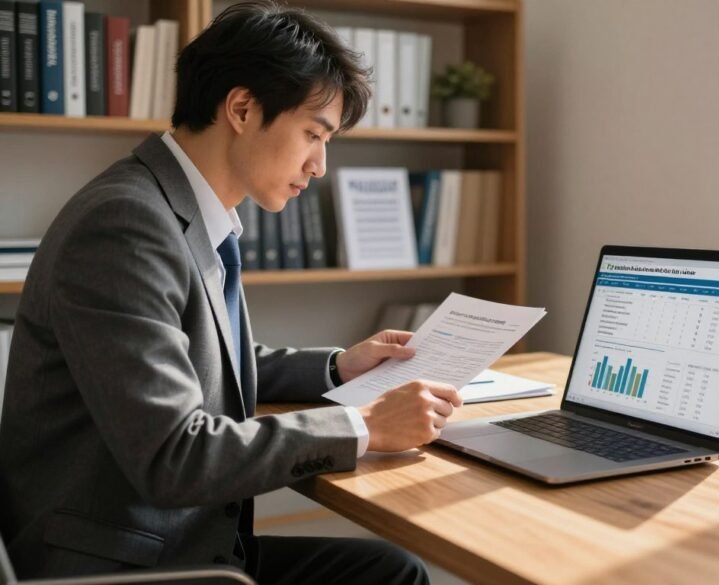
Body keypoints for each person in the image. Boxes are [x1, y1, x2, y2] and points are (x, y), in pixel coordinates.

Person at [0, 2, 462, 583]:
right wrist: (364, 426)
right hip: (122, 566)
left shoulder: (180, 213)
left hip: (171, 546)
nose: (320, 165)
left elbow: (201, 364)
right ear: (242, 108)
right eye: (313, 134)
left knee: (390, 570)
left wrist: (341, 368)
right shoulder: (125, 225)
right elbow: (175, 455)